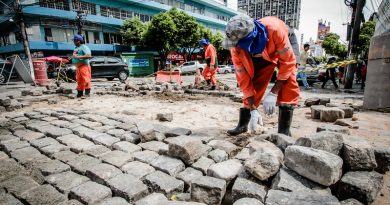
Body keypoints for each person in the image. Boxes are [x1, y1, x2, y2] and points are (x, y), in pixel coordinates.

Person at [223, 14, 300, 136]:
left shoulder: (275, 31)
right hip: (262, 50)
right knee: (256, 81)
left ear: (248, 38)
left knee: (289, 80)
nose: (235, 46)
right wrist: (253, 109)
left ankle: (284, 132)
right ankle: (243, 125)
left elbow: (288, 63)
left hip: (284, 41)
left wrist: (273, 93)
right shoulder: (236, 48)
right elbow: (244, 81)